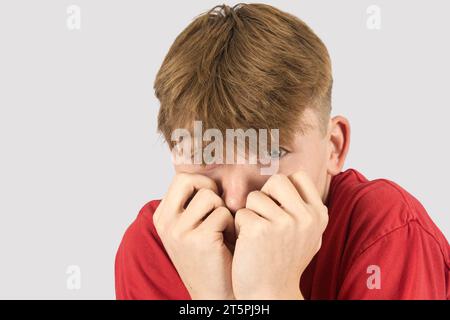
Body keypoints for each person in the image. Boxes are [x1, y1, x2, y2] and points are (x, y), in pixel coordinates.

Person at [115, 3, 449, 299]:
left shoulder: (387, 228)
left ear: (334, 147)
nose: (234, 199)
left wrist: (269, 293)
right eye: (205, 155)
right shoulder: (153, 247)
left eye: (270, 154)